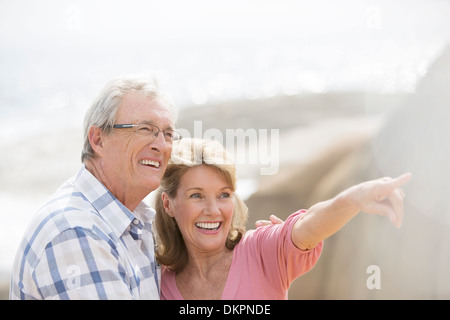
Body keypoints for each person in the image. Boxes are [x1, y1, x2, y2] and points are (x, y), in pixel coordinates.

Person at [154, 138, 411, 300]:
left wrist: (353, 198)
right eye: (197, 196)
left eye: (223, 195)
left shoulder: (262, 251)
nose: (213, 210)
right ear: (169, 204)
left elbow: (307, 227)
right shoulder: (155, 281)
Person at [9, 75, 181, 299]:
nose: (161, 145)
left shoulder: (132, 220)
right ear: (98, 139)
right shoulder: (76, 232)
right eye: (145, 129)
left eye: (168, 134)